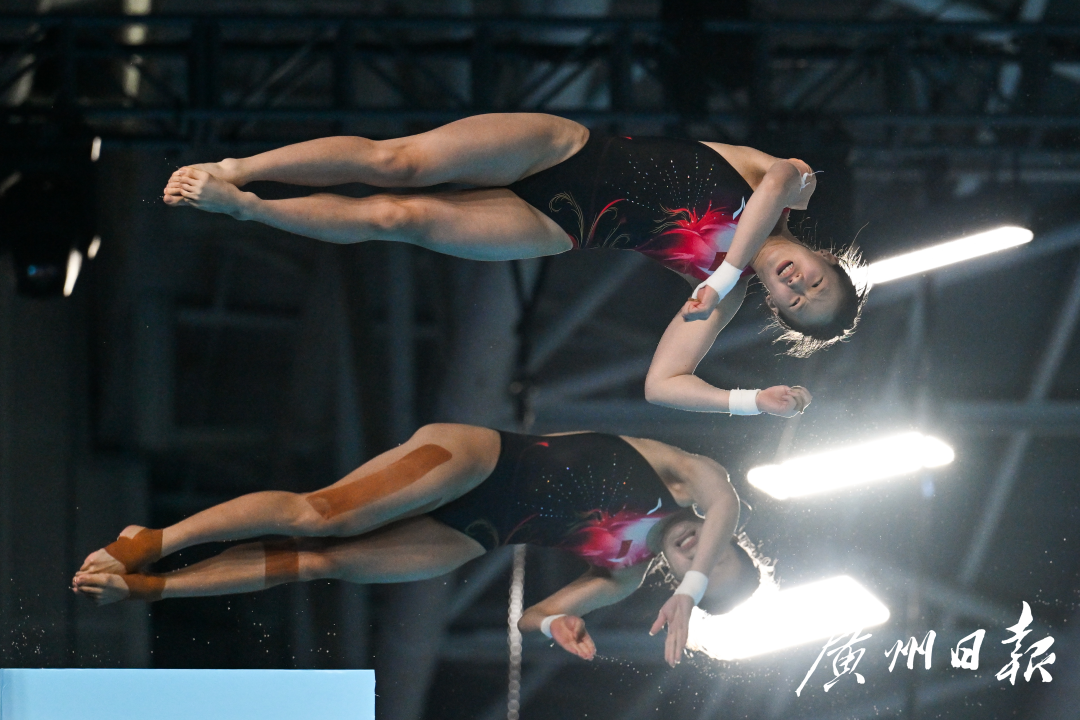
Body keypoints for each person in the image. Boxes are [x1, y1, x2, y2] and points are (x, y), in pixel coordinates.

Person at [163, 113, 866, 415]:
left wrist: (746, 402)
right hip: (567, 152)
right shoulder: (793, 191)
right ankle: (234, 165)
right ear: (822, 256)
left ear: (778, 311)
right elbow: (776, 180)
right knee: (396, 163)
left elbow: (661, 384)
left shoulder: (732, 299)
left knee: (396, 218)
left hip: (559, 226)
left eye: (800, 305)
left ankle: (245, 207)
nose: (801, 287)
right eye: (819, 281)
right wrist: (716, 276)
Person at [73, 424, 769, 667]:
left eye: (692, 563)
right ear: (719, 538)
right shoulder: (692, 478)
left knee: (322, 563)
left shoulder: (622, 574)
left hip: (473, 534)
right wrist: (693, 588)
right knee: (322, 516)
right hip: (478, 459)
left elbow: (530, 619)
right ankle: (156, 540)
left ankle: (149, 587)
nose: (690, 549)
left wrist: (558, 623)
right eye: (712, 550)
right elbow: (726, 504)